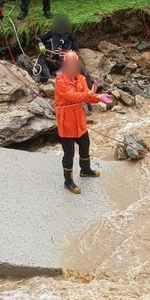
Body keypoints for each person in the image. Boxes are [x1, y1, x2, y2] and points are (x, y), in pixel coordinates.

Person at [54, 51, 111, 194]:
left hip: (79, 120)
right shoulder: (60, 81)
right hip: (66, 121)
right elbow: (72, 96)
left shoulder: (80, 78)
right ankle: (68, 181)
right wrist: (89, 94)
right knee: (69, 153)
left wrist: (98, 97)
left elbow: (86, 95)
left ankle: (85, 170)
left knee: (85, 144)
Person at [35, 14, 79, 83]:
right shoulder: (52, 33)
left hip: (66, 63)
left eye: (63, 27)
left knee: (78, 67)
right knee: (42, 59)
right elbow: (38, 39)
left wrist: (69, 54)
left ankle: (90, 83)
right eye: (59, 27)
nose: (61, 29)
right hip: (54, 61)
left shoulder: (71, 37)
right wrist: (40, 44)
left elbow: (77, 52)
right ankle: (47, 79)